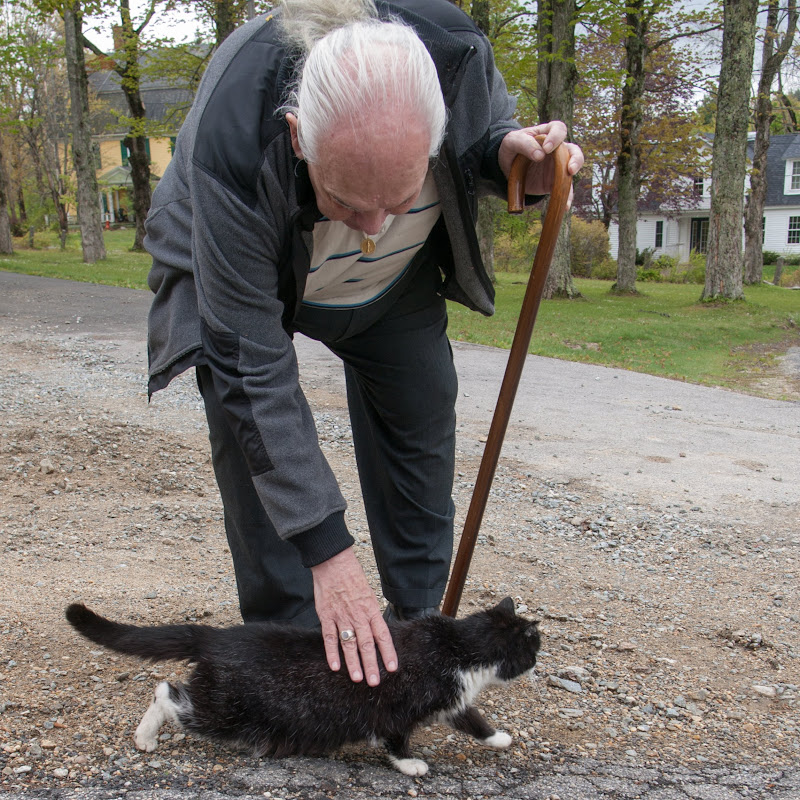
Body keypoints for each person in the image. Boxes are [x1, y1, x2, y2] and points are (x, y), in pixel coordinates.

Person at [144, 0, 583, 689]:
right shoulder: (236, 133)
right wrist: (329, 553)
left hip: (388, 288)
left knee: (423, 405)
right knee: (250, 426)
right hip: (251, 261)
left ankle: (415, 638)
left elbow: (485, 131)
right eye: (349, 202)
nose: (373, 226)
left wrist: (509, 158)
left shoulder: (456, 53)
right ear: (298, 138)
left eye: (401, 197)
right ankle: (291, 656)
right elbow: (250, 369)